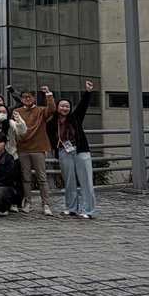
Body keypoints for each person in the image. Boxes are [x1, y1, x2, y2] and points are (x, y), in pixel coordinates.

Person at [47, 81, 96, 219]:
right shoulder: (52, 123)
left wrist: (88, 92)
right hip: (63, 152)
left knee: (86, 182)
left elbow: (83, 106)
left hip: (80, 151)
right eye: (62, 106)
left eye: (67, 106)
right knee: (69, 181)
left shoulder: (75, 118)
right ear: (57, 107)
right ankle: (71, 208)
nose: (65, 108)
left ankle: (88, 210)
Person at [15, 86, 57, 216]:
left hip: (38, 148)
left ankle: (46, 204)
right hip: (23, 148)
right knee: (26, 178)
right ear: (21, 99)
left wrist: (48, 94)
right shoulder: (17, 111)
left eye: (29, 96)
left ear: (34, 98)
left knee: (42, 177)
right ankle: (28, 202)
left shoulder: (41, 111)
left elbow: (52, 109)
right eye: (24, 97)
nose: (27, 99)